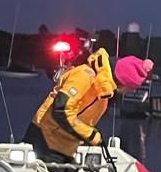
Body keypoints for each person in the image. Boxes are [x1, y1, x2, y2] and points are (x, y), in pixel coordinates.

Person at [24, 49, 153, 164]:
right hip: (45, 136)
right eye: (130, 88)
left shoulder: (105, 92)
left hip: (66, 145)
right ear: (124, 82)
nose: (129, 92)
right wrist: (91, 135)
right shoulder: (85, 76)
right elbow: (61, 109)